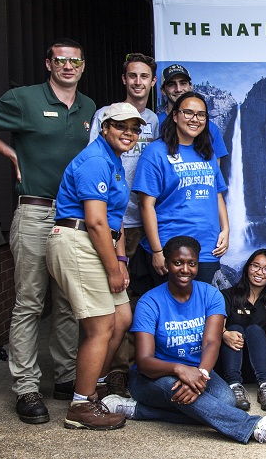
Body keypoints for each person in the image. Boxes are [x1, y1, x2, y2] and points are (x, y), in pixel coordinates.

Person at [0, 38, 91, 424]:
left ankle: (66, 378)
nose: (68, 67)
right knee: (30, 302)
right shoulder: (24, 99)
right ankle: (26, 387)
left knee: (69, 302)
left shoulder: (88, 108)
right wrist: (10, 154)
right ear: (48, 64)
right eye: (61, 61)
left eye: (75, 61)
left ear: (82, 66)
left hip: (73, 216)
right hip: (35, 212)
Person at [101, 236, 266, 445]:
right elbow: (145, 360)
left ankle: (139, 410)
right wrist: (179, 370)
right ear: (166, 264)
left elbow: (212, 342)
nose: (185, 269)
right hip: (153, 377)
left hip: (199, 371)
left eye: (191, 263)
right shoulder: (150, 301)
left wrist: (200, 373)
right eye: (178, 263)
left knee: (226, 402)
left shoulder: (211, 295)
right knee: (186, 394)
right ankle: (256, 427)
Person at [46, 103, 144, 429]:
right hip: (76, 240)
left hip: (97, 242)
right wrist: (114, 270)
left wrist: (120, 261)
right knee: (100, 326)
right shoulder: (95, 160)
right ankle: (80, 406)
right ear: (105, 127)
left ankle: (96, 383)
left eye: (134, 128)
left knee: (122, 317)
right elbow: (96, 223)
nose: (128, 133)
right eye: (121, 126)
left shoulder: (113, 161)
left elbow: (114, 223)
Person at [88, 52, 160, 399]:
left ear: (152, 82)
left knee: (138, 299)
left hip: (143, 222)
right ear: (124, 79)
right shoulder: (105, 116)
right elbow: (96, 161)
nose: (137, 82)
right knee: (108, 300)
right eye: (132, 75)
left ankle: (134, 368)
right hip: (113, 221)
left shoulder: (157, 122)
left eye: (144, 76)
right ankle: (109, 373)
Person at [133, 92, 229, 285]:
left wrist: (226, 230)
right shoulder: (156, 152)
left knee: (204, 310)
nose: (195, 119)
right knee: (172, 311)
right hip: (172, 247)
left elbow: (216, 194)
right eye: (188, 113)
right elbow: (146, 205)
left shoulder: (207, 153)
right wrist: (157, 251)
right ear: (175, 116)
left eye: (201, 115)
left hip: (208, 248)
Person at [218, 249, 266, 411]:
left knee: (254, 330)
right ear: (247, 268)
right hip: (230, 363)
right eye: (255, 266)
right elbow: (215, 324)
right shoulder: (228, 295)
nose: (260, 272)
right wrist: (224, 334)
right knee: (234, 328)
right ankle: (234, 387)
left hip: (261, 366)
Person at [156, 64, 228, 163]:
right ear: (163, 91)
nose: (178, 89)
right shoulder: (155, 123)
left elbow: (215, 170)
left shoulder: (210, 128)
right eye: (171, 84)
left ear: (191, 87)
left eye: (183, 83)